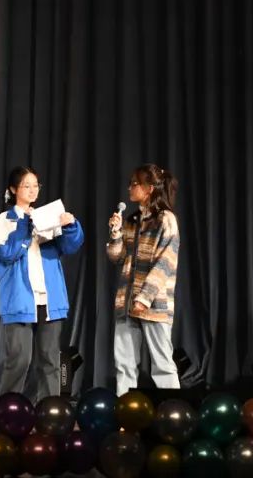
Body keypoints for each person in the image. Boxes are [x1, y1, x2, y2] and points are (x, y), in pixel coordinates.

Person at [0, 166, 84, 400]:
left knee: (50, 359)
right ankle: (7, 410)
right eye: (26, 185)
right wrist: (25, 225)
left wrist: (70, 226)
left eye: (36, 185)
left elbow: (70, 246)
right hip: (20, 300)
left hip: (49, 299)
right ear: (13, 189)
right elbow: (7, 253)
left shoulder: (46, 216)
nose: (33, 190)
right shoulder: (5, 220)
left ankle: (49, 412)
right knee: (19, 359)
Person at [106, 164, 181, 395]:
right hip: (127, 303)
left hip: (154, 305)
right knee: (124, 365)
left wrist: (145, 297)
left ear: (149, 189)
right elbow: (118, 258)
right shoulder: (132, 220)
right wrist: (116, 234)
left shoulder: (166, 219)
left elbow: (166, 262)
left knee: (163, 365)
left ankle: (174, 411)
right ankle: (125, 410)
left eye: (135, 183)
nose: (130, 187)